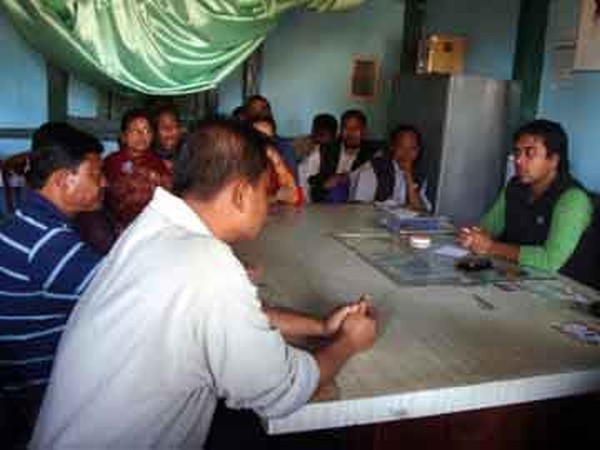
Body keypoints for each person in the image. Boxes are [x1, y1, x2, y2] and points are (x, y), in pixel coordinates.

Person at [30, 119, 377, 449]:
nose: (269, 202)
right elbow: (281, 390)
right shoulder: (207, 262)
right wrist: (348, 341)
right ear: (241, 194)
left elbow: (222, 317)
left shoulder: (154, 226)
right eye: (265, 189)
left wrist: (320, 326)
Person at [0, 123, 105, 441]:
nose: (105, 182)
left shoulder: (24, 219)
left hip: (18, 380)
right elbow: (122, 293)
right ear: (62, 180)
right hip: (40, 393)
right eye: (95, 175)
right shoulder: (50, 243)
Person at [458, 119, 597, 287]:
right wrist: (473, 237)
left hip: (564, 288)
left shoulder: (573, 199)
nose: (518, 160)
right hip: (517, 277)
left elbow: (550, 260)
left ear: (553, 160)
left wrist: (491, 247)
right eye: (517, 152)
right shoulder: (515, 186)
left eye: (529, 153)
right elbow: (489, 227)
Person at [103, 108, 172, 234]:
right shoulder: (112, 161)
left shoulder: (157, 162)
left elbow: (166, 193)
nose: (142, 135)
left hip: (151, 223)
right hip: (117, 225)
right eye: (135, 130)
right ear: (124, 136)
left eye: (147, 131)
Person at [351, 124, 431, 211]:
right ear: (392, 147)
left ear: (418, 151)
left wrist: (408, 175)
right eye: (401, 147)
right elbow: (359, 206)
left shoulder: (419, 174)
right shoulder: (373, 169)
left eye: (413, 148)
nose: (406, 153)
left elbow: (420, 209)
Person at [308, 109, 377, 203]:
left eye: (355, 128)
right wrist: (323, 183)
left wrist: (343, 178)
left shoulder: (372, 154)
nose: (350, 133)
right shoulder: (325, 149)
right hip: (324, 203)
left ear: (364, 131)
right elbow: (308, 176)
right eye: (346, 127)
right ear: (340, 130)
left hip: (358, 204)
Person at [251, 117, 304, 206]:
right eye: (259, 137)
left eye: (268, 139)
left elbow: (294, 195)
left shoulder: (274, 156)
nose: (264, 143)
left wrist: (278, 196)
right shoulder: (241, 159)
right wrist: (276, 197)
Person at [152, 104, 184, 170]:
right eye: (163, 126)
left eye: (173, 124)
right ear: (155, 132)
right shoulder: (148, 158)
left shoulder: (190, 154)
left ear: (180, 129)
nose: (169, 130)